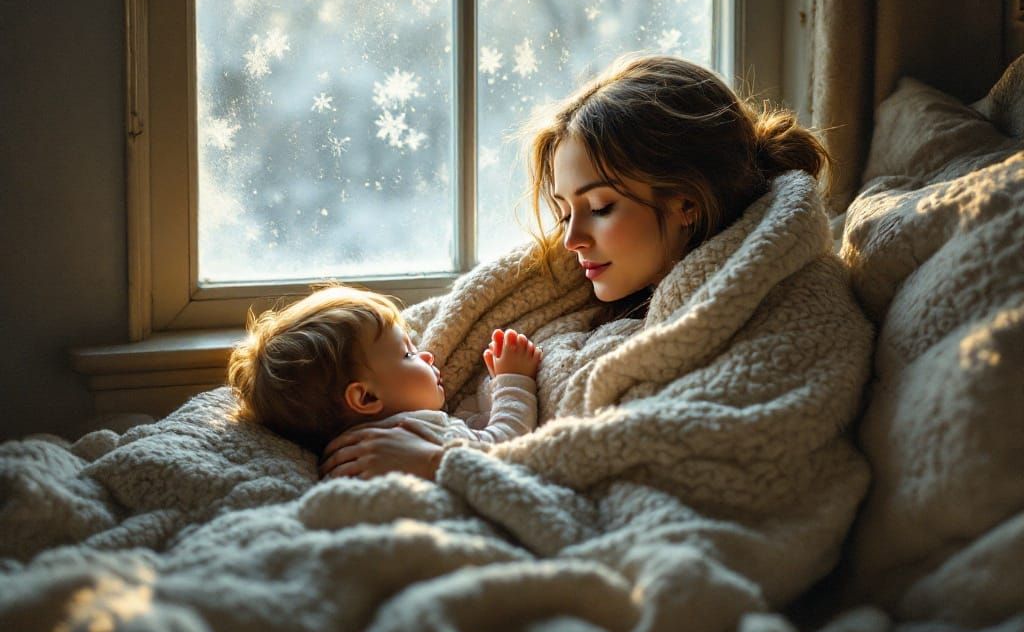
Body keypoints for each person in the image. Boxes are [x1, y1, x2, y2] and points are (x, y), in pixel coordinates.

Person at [318, 52, 836, 483]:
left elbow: (681, 453)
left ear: (685, 202)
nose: (570, 240)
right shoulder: (577, 298)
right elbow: (395, 342)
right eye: (564, 212)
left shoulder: (792, 302)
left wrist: (439, 463)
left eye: (601, 207)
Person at [227, 284, 542, 477]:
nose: (428, 356)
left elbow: (466, 434)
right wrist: (514, 379)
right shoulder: (413, 433)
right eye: (408, 355)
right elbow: (504, 447)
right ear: (365, 398)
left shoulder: (347, 455)